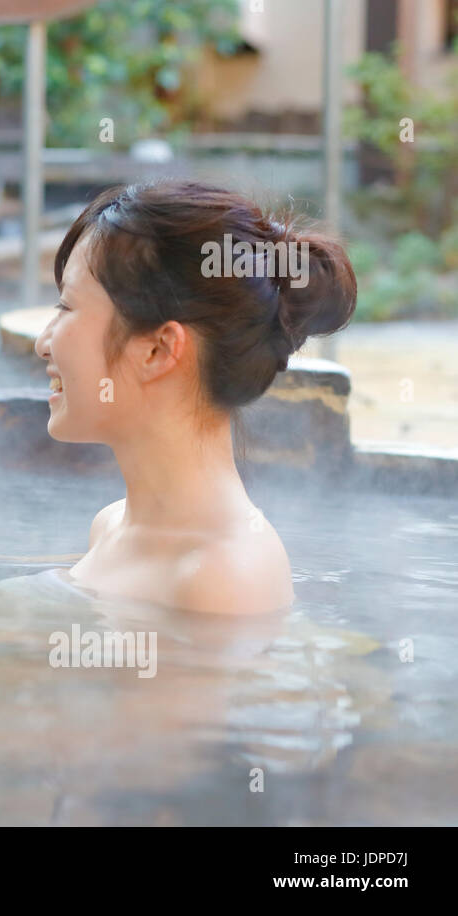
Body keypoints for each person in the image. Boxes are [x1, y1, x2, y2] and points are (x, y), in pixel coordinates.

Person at [34, 180, 357, 614]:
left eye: (66, 307)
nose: (43, 342)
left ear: (159, 350)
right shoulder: (109, 527)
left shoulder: (223, 578)